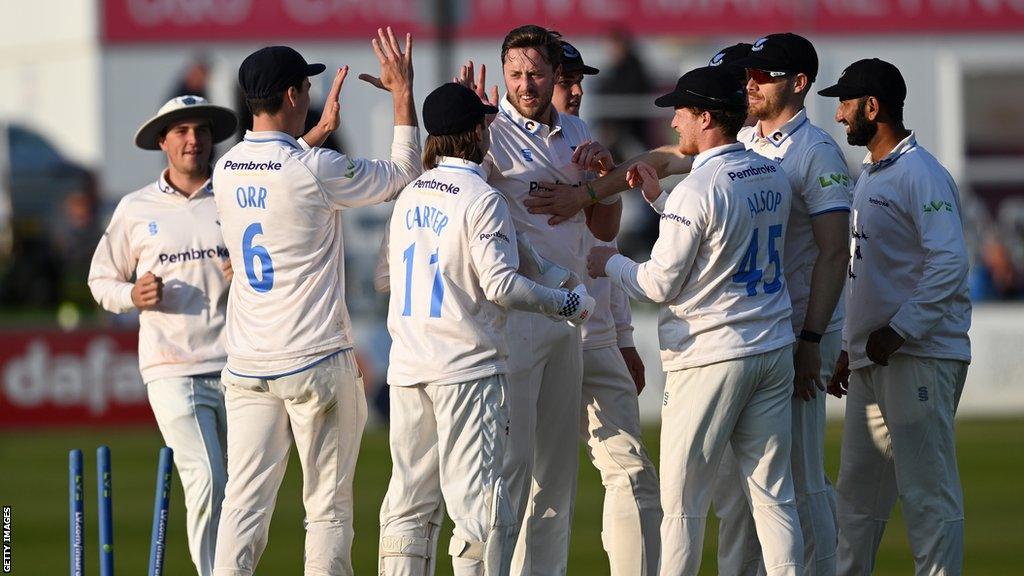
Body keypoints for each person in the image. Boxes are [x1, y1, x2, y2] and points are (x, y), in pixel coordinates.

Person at [211, 32, 421, 576]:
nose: (310, 93)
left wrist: (313, 137)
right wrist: (402, 97)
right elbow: (402, 176)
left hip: (248, 364)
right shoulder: (316, 168)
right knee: (326, 509)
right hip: (314, 361)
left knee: (242, 504)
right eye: (305, 85)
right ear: (289, 96)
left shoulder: (227, 169)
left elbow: (277, 174)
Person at [588, 65, 804, 576]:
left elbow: (659, 285)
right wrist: (659, 201)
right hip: (769, 346)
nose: (674, 123)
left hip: (709, 354)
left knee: (682, 503)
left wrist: (607, 261)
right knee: (775, 498)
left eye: (681, 113)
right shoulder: (770, 172)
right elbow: (723, 238)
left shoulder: (697, 188)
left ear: (706, 117)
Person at [379, 81, 594, 576]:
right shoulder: (482, 195)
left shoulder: (410, 194)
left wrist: (542, 265)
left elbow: (384, 277)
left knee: (408, 504)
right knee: (476, 510)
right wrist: (566, 304)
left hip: (409, 367)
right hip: (467, 369)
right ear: (477, 131)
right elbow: (501, 286)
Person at [455, 24, 619, 575]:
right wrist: (463, 129)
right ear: (503, 74)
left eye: (537, 74)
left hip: (566, 318)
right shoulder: (488, 129)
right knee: (510, 469)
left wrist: (599, 178)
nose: (526, 85)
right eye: (516, 74)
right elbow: (455, 203)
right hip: (514, 318)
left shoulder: (577, 130)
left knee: (557, 474)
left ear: (556, 75)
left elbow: (603, 226)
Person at [819, 58, 972, 576]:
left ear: (872, 106)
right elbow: (868, 274)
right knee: (856, 506)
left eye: (844, 103)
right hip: (872, 361)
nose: (839, 117)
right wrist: (848, 346)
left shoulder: (921, 173)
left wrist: (901, 329)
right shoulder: (872, 174)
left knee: (928, 498)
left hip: (919, 355)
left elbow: (950, 260)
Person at [714, 33, 852, 576]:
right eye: (749, 73)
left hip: (800, 328)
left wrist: (813, 341)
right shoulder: (746, 138)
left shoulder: (817, 150)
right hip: (758, 329)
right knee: (749, 484)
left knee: (799, 474)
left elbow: (835, 252)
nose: (750, 82)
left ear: (798, 83)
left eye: (763, 75)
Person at [88, 94, 238, 576]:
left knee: (241, 492)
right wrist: (134, 294)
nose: (193, 140)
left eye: (201, 130)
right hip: (173, 367)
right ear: (162, 141)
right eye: (181, 131)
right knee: (208, 479)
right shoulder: (136, 209)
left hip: (240, 365)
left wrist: (249, 275)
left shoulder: (235, 196)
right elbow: (100, 280)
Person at [553, 40, 662, 576]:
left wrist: (623, 337)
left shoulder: (585, 138)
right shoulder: (500, 141)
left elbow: (604, 245)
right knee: (538, 485)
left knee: (632, 473)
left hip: (595, 334)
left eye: (580, 80)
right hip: (535, 335)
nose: (576, 90)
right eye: (566, 79)